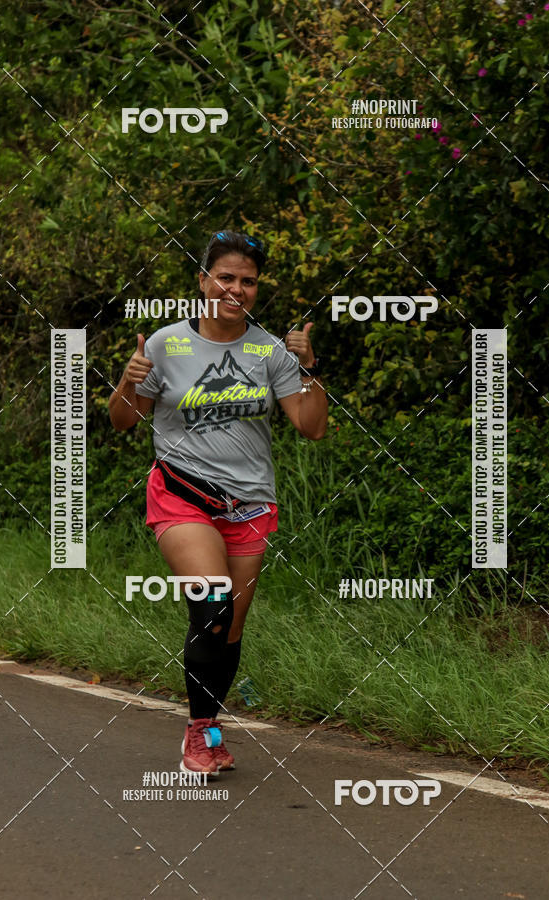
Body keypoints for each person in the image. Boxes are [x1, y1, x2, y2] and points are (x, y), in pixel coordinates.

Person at [109, 230, 328, 774]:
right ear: (203, 281)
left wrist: (309, 368)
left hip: (249, 505)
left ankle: (210, 726)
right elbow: (123, 420)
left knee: (228, 630)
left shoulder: (269, 350)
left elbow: (312, 427)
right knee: (212, 608)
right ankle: (199, 739)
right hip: (181, 495)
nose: (236, 289)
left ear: (257, 289)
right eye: (225, 277)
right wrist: (127, 381)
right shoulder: (164, 344)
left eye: (248, 281)